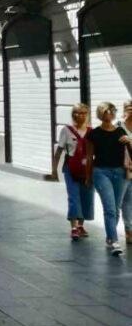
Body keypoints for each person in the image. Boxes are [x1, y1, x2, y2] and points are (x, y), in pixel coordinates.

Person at [85, 101, 130, 255]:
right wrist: (87, 175)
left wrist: (129, 141)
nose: (110, 114)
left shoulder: (120, 131)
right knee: (110, 208)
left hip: (120, 173)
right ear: (100, 113)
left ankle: (110, 237)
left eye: (112, 111)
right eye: (106, 111)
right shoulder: (93, 133)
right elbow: (89, 157)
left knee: (116, 208)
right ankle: (115, 242)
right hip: (101, 172)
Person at [49, 103, 94, 241]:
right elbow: (59, 151)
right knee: (74, 196)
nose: (79, 115)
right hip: (71, 167)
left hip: (87, 168)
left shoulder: (92, 131)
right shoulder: (66, 130)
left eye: (83, 113)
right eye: (76, 112)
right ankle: (73, 227)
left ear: (87, 115)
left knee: (86, 196)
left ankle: (81, 225)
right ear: (72, 114)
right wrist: (54, 170)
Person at [121, 100, 132, 245]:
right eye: (127, 108)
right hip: (122, 168)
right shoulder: (118, 126)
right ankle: (128, 229)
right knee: (126, 200)